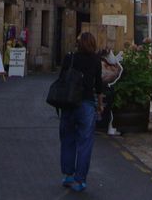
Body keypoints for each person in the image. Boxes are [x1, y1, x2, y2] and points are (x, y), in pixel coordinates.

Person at [58, 32, 104, 192]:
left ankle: (68, 174)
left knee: (67, 139)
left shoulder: (69, 58)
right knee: (85, 143)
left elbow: (61, 79)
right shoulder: (96, 60)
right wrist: (100, 105)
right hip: (86, 104)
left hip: (69, 103)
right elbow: (98, 85)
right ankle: (80, 180)